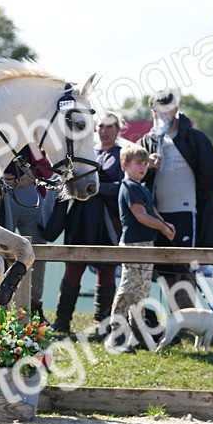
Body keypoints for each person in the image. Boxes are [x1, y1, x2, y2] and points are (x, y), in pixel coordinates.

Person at [138, 87, 213, 310]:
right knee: (163, 267)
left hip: (185, 211)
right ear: (152, 113)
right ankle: (175, 320)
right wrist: (148, 167)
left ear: (176, 110)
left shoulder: (194, 138)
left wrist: (197, 197)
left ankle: (188, 318)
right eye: (158, 111)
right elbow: (133, 176)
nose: (163, 116)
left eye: (167, 111)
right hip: (155, 215)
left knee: (184, 265)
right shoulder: (146, 142)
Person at [51, 112, 125, 334]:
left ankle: (102, 323)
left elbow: (123, 185)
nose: (105, 130)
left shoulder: (121, 154)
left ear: (118, 130)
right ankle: (62, 321)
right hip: (81, 217)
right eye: (101, 126)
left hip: (108, 220)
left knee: (107, 269)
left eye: (110, 126)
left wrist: (97, 188)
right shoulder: (85, 150)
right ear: (95, 128)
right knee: (73, 267)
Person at [104, 144, 175, 352]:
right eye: (138, 164)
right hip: (134, 245)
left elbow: (151, 210)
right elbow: (141, 215)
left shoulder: (141, 187)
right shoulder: (128, 187)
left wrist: (165, 225)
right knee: (129, 289)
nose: (143, 167)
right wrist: (163, 227)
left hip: (146, 245)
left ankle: (137, 334)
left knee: (142, 292)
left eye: (145, 164)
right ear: (125, 165)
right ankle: (116, 334)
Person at [0, 144, 57, 319]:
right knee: (2, 252)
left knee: (37, 251)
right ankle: (1, 302)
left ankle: (34, 303)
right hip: (2, 193)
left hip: (29, 193)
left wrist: (33, 176)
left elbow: (48, 170)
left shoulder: (33, 134)